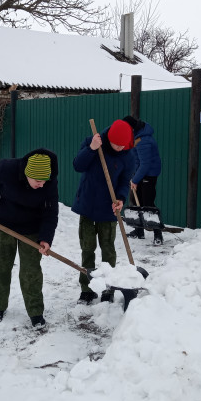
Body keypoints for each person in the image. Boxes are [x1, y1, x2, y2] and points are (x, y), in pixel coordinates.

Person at [0, 149, 59, 329]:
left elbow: (51, 213)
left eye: (45, 180)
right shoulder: (5, 169)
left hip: (32, 229)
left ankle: (36, 313)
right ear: (27, 174)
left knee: (31, 272)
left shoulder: (49, 183)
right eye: (38, 181)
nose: (42, 185)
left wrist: (45, 238)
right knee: (2, 267)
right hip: (4, 225)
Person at [71, 119, 136, 304]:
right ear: (109, 139)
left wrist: (121, 199)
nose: (119, 148)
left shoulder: (129, 155)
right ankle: (87, 289)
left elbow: (124, 182)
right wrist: (91, 148)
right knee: (87, 249)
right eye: (116, 144)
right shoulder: (94, 142)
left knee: (108, 250)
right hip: (88, 206)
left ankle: (109, 287)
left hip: (109, 210)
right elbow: (78, 165)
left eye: (123, 145)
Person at [123, 116, 164, 246]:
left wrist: (135, 180)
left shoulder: (143, 141)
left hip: (149, 174)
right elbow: (137, 159)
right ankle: (139, 231)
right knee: (137, 201)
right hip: (141, 173)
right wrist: (134, 174)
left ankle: (158, 235)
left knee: (148, 204)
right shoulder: (137, 135)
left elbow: (145, 164)